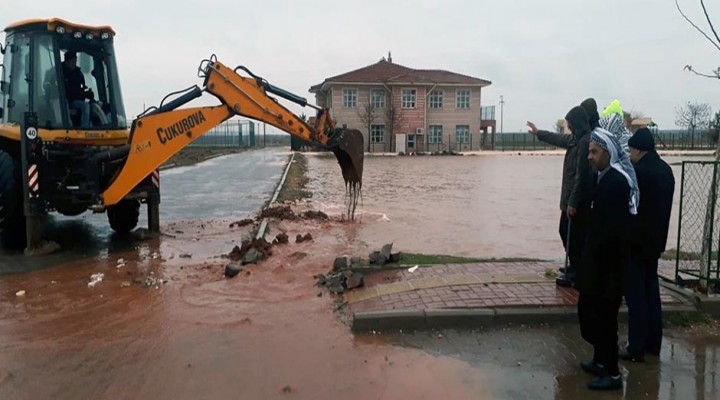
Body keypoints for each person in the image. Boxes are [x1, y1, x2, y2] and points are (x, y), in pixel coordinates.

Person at [576, 129, 638, 391]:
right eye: (589, 151)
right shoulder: (605, 178)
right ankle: (601, 360)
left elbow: (608, 231)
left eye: (594, 152)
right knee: (592, 315)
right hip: (600, 265)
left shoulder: (615, 183)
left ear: (608, 153)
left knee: (604, 319)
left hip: (608, 268)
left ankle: (612, 373)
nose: (590, 157)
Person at [620, 128, 675, 362]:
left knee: (636, 297)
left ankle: (635, 347)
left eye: (631, 149)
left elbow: (630, 209)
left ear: (639, 150)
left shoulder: (638, 173)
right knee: (652, 293)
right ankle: (654, 343)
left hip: (636, 245)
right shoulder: (666, 171)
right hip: (656, 244)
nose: (629, 153)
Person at [527, 105, 593, 287]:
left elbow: (582, 176)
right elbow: (558, 138)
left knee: (572, 234)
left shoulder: (584, 143)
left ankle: (578, 271)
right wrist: (538, 132)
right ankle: (575, 266)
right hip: (568, 198)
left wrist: (573, 202)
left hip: (575, 200)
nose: (569, 127)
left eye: (570, 124)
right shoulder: (574, 140)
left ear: (578, 124)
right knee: (565, 232)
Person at [62, 50, 93, 128]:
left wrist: (87, 93)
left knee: (86, 106)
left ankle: (84, 128)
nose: (74, 63)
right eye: (72, 61)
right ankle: (68, 126)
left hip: (74, 101)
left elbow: (83, 87)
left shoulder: (78, 74)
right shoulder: (59, 72)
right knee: (63, 103)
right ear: (67, 61)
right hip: (62, 100)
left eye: (75, 60)